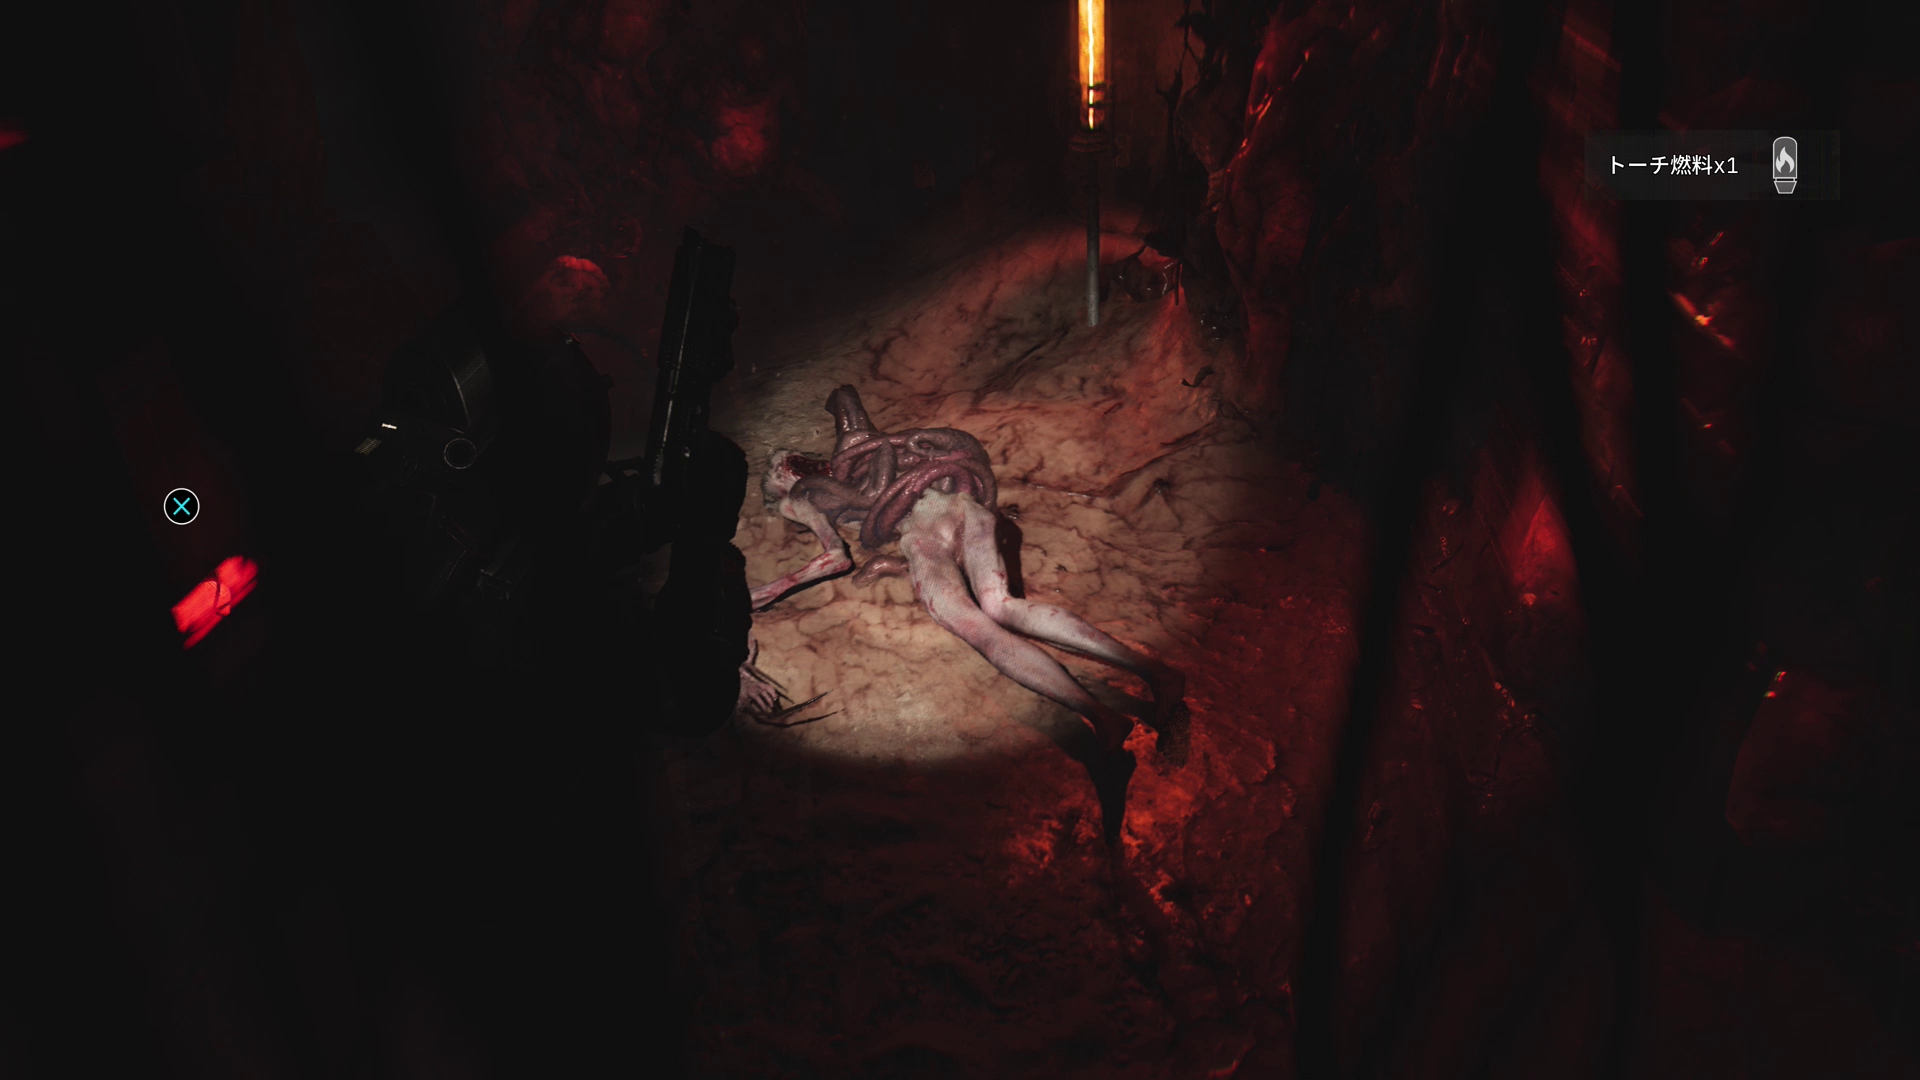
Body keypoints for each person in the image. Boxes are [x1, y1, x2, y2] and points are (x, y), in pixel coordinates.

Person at [749, 384, 1189, 840]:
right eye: (789, 472)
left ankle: (1144, 682)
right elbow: (859, 527)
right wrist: (885, 559)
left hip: (943, 511)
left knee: (996, 611)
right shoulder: (824, 492)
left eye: (794, 465)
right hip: (928, 534)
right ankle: (1108, 711)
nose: (800, 470)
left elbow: (843, 398)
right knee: (985, 619)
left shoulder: (854, 455)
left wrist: (862, 443)